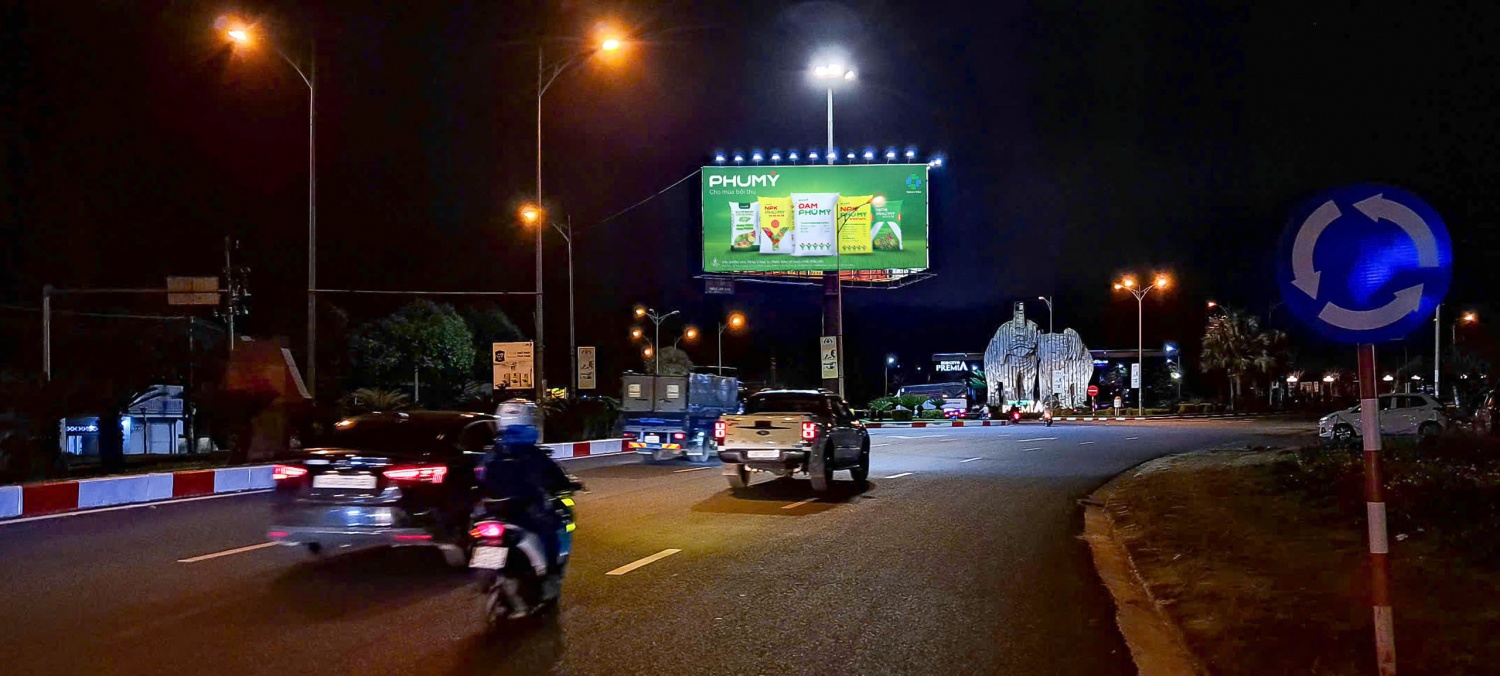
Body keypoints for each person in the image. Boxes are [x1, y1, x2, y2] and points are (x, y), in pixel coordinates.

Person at [480, 423, 575, 576]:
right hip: (525, 509)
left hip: (492, 509)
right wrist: (568, 485)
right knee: (551, 528)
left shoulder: (492, 453)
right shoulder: (534, 454)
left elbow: (480, 478)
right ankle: (550, 570)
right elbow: (556, 476)